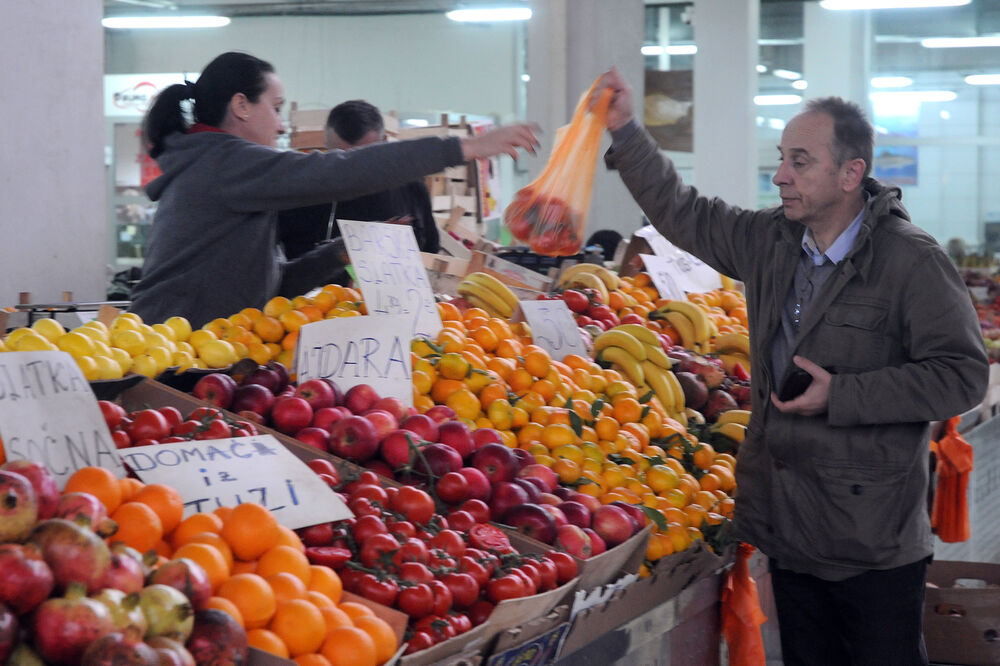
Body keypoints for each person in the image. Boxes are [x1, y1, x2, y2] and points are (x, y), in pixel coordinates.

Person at [596, 68, 988, 665]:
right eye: (782, 158)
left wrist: (845, 395)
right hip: (791, 527)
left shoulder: (911, 262)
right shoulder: (771, 240)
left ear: (851, 174)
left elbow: (962, 375)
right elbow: (682, 211)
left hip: (872, 538)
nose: (780, 175)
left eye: (800, 161)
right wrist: (626, 130)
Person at [129, 52, 537, 327]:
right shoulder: (223, 163)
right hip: (169, 353)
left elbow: (271, 286)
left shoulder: (227, 169)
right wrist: (465, 147)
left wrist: (342, 250)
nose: (283, 124)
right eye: (276, 107)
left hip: (202, 347)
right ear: (241, 106)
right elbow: (338, 171)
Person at [277, 100, 439, 278]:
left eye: (365, 158)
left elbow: (429, 253)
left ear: (385, 143)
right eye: (341, 158)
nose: (353, 170)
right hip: (313, 304)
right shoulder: (303, 191)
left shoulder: (411, 188)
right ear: (326, 142)